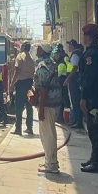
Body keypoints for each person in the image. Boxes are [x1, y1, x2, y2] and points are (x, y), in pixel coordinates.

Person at [32, 42, 63, 174]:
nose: (36, 50)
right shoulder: (51, 63)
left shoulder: (43, 65)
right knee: (49, 132)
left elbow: (44, 87)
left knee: (47, 134)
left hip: (47, 104)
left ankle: (51, 164)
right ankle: (49, 161)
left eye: (38, 48)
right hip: (54, 102)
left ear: (42, 51)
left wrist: (41, 109)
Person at [79, 24, 98, 173]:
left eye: (84, 36)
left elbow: (89, 78)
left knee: (94, 129)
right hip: (93, 96)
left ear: (89, 37)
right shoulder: (94, 52)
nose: (83, 38)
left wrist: (84, 97)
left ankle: (97, 163)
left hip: (92, 97)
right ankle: (94, 157)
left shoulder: (92, 54)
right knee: (92, 128)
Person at [10, 41, 35, 136]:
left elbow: (17, 72)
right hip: (29, 83)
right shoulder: (32, 59)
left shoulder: (20, 56)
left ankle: (18, 128)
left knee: (19, 106)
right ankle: (29, 128)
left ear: (23, 47)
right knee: (29, 105)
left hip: (21, 83)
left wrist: (12, 84)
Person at [65, 39, 84, 129]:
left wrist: (68, 79)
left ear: (72, 46)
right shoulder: (76, 53)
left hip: (74, 80)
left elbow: (75, 68)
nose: (68, 47)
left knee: (75, 100)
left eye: (69, 45)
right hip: (75, 80)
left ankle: (78, 121)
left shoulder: (75, 54)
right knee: (75, 101)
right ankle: (76, 120)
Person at [54, 45, 69, 123]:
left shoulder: (61, 64)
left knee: (61, 101)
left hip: (61, 85)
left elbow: (58, 75)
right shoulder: (60, 62)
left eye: (56, 55)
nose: (55, 57)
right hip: (62, 85)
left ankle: (60, 117)